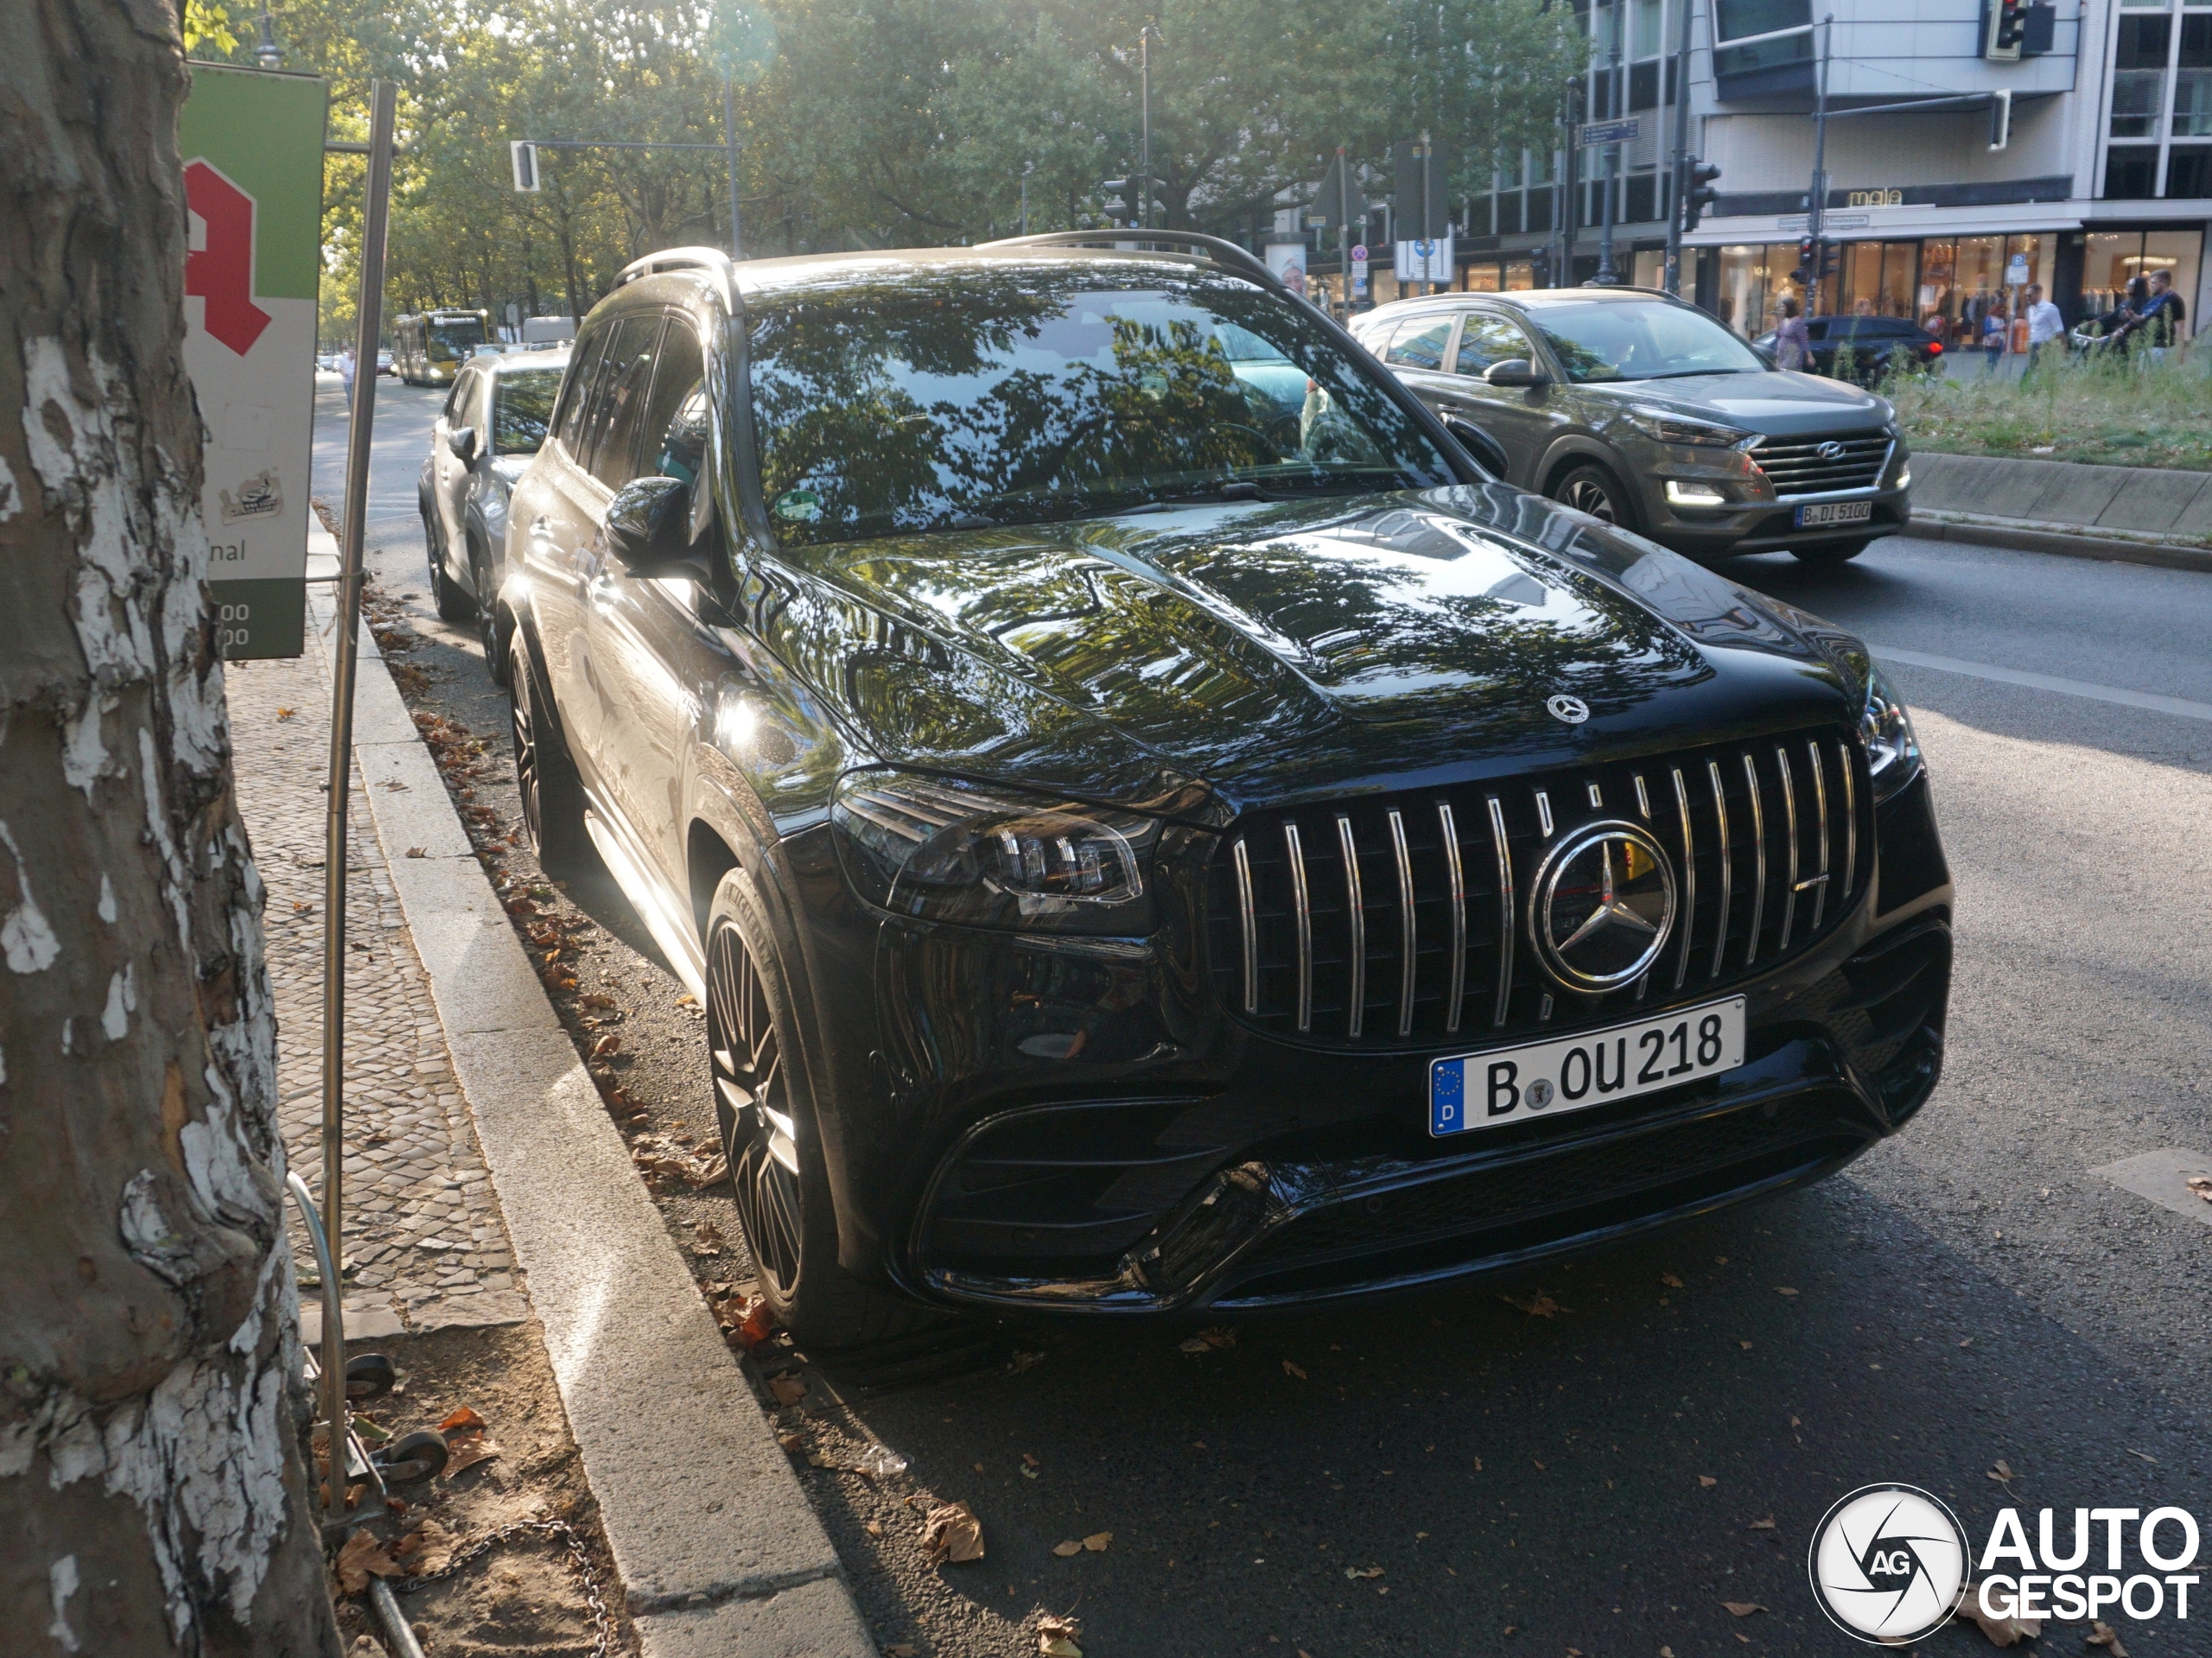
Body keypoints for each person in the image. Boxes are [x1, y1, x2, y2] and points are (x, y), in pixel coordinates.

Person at [2139, 269, 2188, 359]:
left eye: (2153, 283)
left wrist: (2180, 350)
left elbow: (2179, 327)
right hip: (2147, 344)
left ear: (2163, 282)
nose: (2151, 286)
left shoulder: (2174, 300)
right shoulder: (2154, 298)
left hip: (2162, 348)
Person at [2022, 283, 2064, 372]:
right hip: (2034, 343)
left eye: (2029, 296)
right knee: (2036, 369)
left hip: (2045, 344)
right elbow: (2033, 328)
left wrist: (2063, 348)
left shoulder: (2049, 308)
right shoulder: (2031, 309)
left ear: (2038, 294)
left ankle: (2025, 384)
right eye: (2026, 296)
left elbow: (2059, 330)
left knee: (2033, 369)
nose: (2027, 298)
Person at [1771, 295, 1811, 372]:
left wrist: (1810, 356)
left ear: (1789, 307)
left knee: (1786, 373)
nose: (1781, 309)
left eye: (1783, 307)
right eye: (1780, 307)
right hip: (1782, 355)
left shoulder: (1797, 321)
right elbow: (1777, 335)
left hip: (1793, 354)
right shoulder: (1784, 320)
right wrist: (1778, 321)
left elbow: (1804, 340)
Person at [1981, 303, 2007, 371]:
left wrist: (2004, 328)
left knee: (1996, 359)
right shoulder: (1989, 318)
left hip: (2000, 340)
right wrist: (1998, 328)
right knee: (1990, 359)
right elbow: (1986, 330)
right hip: (1991, 340)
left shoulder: (2002, 319)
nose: (2002, 312)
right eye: (2001, 310)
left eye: (2004, 311)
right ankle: (1988, 375)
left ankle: (1990, 374)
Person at [338, 343, 356, 407]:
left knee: (355, 395)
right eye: (350, 352)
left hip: (355, 380)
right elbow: (338, 368)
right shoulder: (343, 359)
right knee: (349, 396)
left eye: (353, 352)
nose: (352, 354)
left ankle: (355, 408)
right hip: (346, 381)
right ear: (348, 353)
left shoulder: (357, 359)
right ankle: (351, 408)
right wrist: (342, 373)